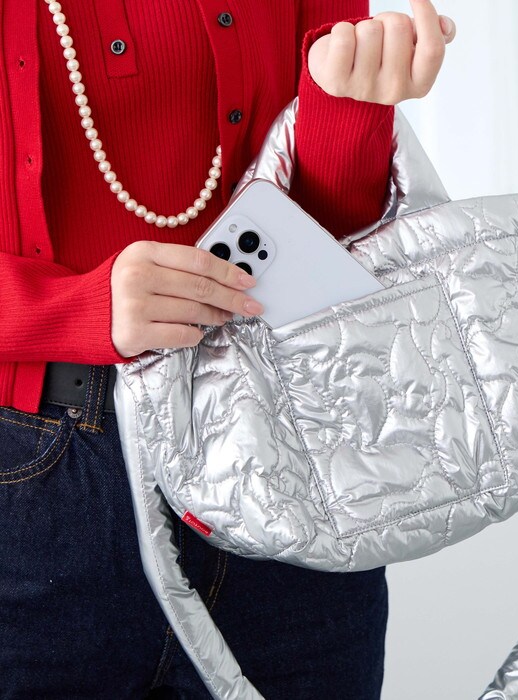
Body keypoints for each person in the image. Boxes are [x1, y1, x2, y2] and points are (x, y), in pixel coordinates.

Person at [0, 1, 456, 697]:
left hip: (289, 441)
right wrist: (70, 309)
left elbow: (333, 234)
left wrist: (348, 109)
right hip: (38, 485)